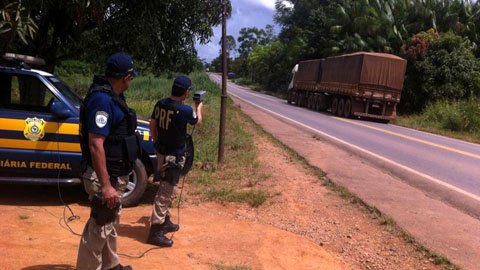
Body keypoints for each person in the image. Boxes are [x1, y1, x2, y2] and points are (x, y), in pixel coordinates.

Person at [77, 52, 139, 270]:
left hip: (114, 175)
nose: (131, 81)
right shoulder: (102, 100)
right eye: (131, 76)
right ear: (125, 77)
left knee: (110, 222)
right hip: (104, 177)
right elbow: (95, 144)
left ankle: (111, 266)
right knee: (99, 226)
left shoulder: (113, 96)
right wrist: (105, 186)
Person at [147, 75, 203, 247]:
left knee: (169, 188)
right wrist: (199, 106)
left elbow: (152, 124)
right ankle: (155, 231)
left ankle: (165, 220)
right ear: (186, 93)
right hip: (173, 156)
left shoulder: (160, 104)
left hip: (162, 153)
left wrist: (156, 143)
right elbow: (197, 121)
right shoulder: (185, 110)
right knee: (165, 191)